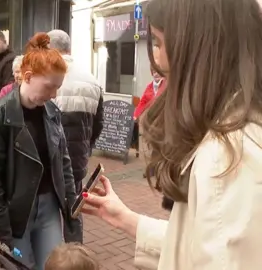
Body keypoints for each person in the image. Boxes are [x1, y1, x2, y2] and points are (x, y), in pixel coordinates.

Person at [81, 0, 262, 269]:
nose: (158, 63)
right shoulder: (234, 138)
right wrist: (125, 218)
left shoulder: (226, 160)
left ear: (198, 51)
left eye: (157, 42)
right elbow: (199, 242)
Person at [0, 33, 81, 270]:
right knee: (20, 265)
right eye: (50, 86)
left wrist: (72, 207)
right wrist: (2, 230)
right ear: (29, 77)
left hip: (49, 207)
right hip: (15, 214)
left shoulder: (52, 112)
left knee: (52, 264)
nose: (54, 94)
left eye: (58, 87)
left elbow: (63, 164)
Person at [47, 29, 104, 243]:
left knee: (47, 209)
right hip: (77, 159)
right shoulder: (92, 80)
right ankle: (74, 256)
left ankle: (50, 252)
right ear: (69, 48)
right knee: (73, 209)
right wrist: (86, 147)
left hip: (48, 158)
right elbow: (99, 124)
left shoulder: (46, 75)